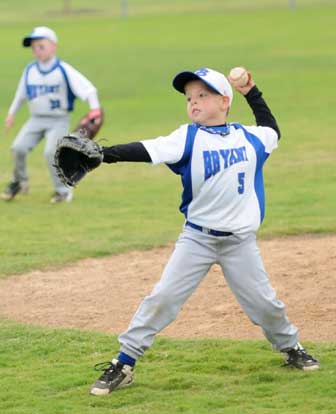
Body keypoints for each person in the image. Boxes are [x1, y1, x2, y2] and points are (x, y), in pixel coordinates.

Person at [89, 67, 319, 396]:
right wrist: (104, 154)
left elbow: (272, 130)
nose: (193, 102)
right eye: (189, 97)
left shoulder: (250, 137)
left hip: (240, 243)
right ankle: (124, 364)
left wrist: (252, 92)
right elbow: (146, 149)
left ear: (225, 101)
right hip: (197, 239)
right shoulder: (187, 137)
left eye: (202, 95)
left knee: (265, 304)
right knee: (163, 298)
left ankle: (291, 348)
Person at [2, 26, 101, 203]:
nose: (37, 50)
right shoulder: (30, 70)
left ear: (53, 46)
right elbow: (20, 95)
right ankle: (19, 182)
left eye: (41, 46)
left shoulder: (63, 69)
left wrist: (95, 109)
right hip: (36, 119)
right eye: (34, 47)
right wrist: (11, 114)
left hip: (58, 119)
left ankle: (63, 191)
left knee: (51, 153)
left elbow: (88, 90)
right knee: (18, 148)